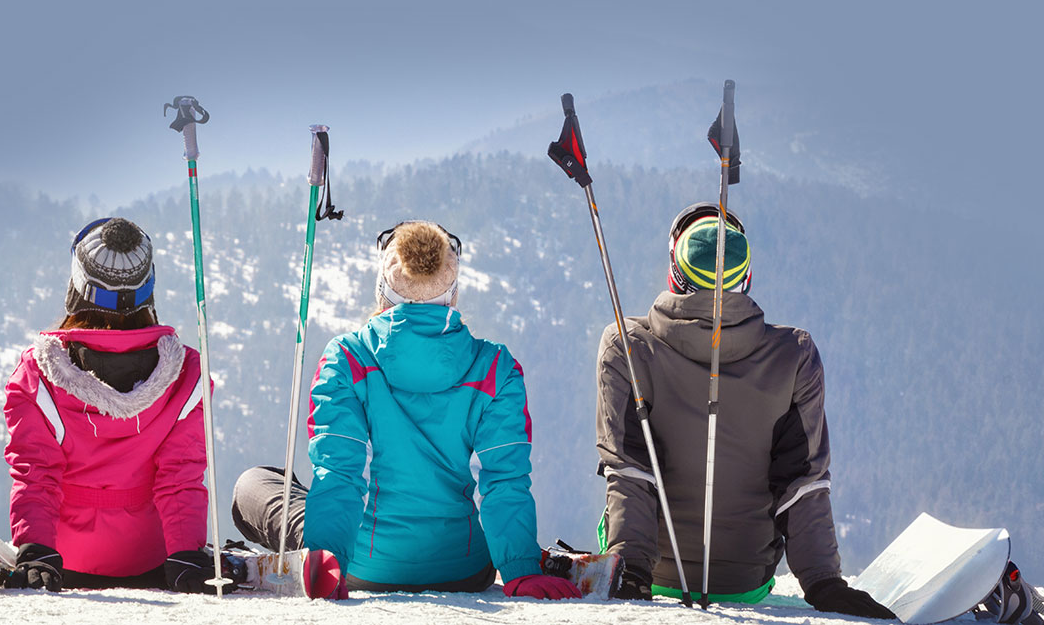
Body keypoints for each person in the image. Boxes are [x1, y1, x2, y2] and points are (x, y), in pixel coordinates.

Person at [231, 220, 578, 599]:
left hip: (366, 566)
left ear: (382, 289)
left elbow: (341, 474)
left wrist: (326, 559)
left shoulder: (347, 359)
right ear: (453, 292)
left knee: (255, 483)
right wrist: (520, 570)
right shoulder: (496, 368)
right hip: (464, 568)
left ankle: (325, 558)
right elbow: (504, 480)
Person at [594, 203, 892, 618]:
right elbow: (803, 484)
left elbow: (630, 471)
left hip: (655, 574)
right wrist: (825, 584)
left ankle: (632, 562)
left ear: (674, 274)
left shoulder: (626, 345)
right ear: (745, 279)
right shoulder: (794, 355)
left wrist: (631, 572)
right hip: (747, 582)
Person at [0, 217, 218, 593]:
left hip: (61, 563)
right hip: (157, 563)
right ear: (148, 289)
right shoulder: (186, 375)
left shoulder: (40, 374)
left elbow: (35, 474)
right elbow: (180, 477)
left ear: (76, 288)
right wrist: (187, 556)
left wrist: (36, 550)